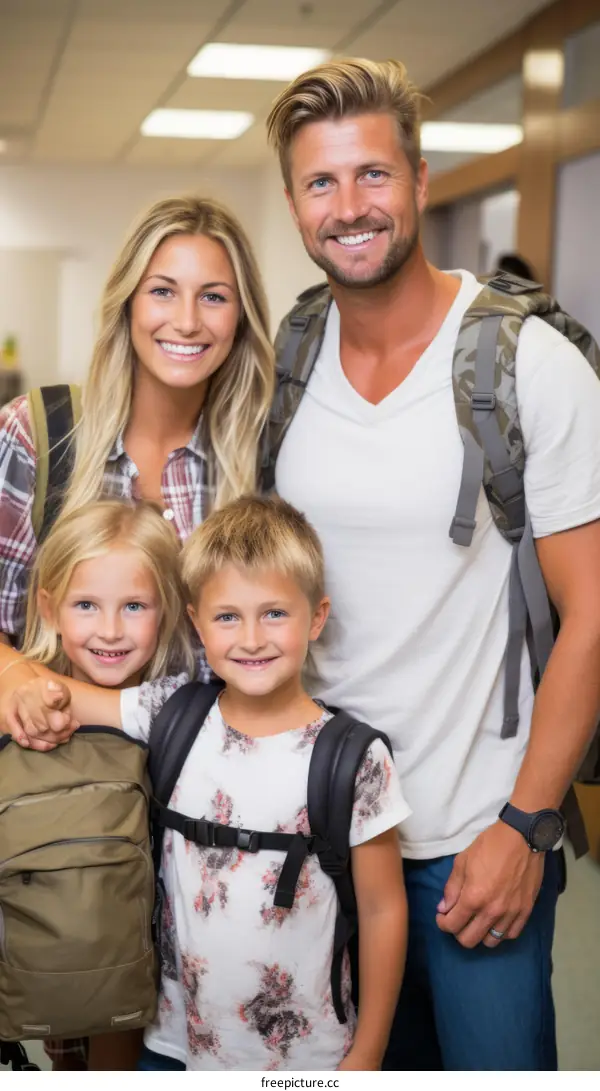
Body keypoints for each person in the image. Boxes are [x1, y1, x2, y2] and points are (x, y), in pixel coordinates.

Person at [262, 57, 600, 1070]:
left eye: (373, 175)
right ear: (293, 202)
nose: (350, 206)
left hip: (469, 830)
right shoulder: (292, 350)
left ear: (418, 179)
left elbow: (592, 611)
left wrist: (525, 824)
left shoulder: (527, 362)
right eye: (321, 182)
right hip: (323, 828)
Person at [0, 196, 273, 1070]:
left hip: (220, 833)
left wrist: (91, 696)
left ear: (243, 317)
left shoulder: (260, 463)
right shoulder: (39, 437)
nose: (186, 320)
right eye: (163, 290)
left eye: (215, 296)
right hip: (72, 823)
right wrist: (15, 674)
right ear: (126, 301)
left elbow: (272, 668)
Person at [4, 495, 410, 1071]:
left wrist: (368, 1054)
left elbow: (382, 909)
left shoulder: (352, 758)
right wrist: (23, 684)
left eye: (274, 613)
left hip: (305, 1057)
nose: (250, 638)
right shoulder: (170, 711)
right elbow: (66, 699)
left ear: (316, 617)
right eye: (227, 616)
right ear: (196, 621)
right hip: (172, 1046)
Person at [14, 498, 195, 1069]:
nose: (110, 631)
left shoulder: (179, 707)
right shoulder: (18, 713)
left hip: (165, 969)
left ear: (167, 611)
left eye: (134, 605)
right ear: (49, 607)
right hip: (57, 956)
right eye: (86, 605)